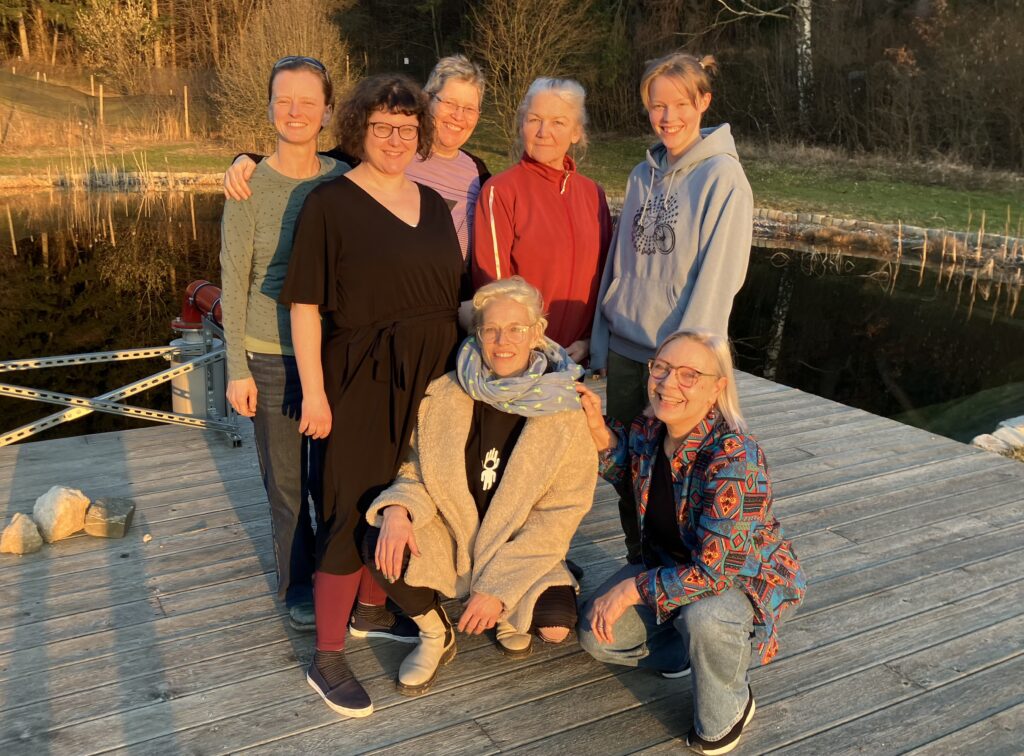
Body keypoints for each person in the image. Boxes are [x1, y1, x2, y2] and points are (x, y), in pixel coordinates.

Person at [278, 73, 463, 718]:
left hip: (432, 379)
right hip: (358, 379)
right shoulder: (329, 204)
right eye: (382, 126)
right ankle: (327, 655)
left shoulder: (433, 204)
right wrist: (315, 393)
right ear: (359, 129)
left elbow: (452, 297)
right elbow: (305, 305)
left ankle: (373, 608)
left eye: (407, 128)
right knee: (347, 503)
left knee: (406, 492)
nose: (395, 138)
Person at [362, 277, 597, 695]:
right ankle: (435, 632)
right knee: (380, 539)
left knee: (557, 625)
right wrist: (398, 509)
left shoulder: (564, 407)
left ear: (536, 333)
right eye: (491, 330)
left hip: (516, 546)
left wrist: (498, 589)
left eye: (516, 329)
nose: (502, 341)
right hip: (455, 538)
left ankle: (504, 611)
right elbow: (414, 469)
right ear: (478, 334)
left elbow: (560, 515)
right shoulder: (445, 393)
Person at [576, 330, 804, 755]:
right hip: (668, 565)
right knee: (596, 632)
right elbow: (627, 470)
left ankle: (730, 709)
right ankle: (686, 654)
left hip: (740, 582)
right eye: (661, 368)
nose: (668, 383)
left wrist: (632, 588)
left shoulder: (735, 458)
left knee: (706, 617)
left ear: (717, 387)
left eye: (688, 375)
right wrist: (596, 428)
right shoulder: (650, 429)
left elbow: (716, 573)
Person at [589, 53, 754, 565]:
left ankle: (680, 571)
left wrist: (685, 368)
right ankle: (638, 562)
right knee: (625, 468)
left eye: (680, 104)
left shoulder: (724, 178)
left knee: (677, 470)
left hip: (676, 364)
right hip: (626, 352)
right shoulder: (641, 174)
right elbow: (618, 262)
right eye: (657, 106)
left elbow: (719, 280)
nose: (668, 117)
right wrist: (601, 341)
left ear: (703, 102)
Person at [219, 56, 347, 632]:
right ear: (270, 106)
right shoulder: (248, 184)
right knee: (286, 481)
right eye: (284, 100)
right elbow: (233, 278)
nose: (295, 112)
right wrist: (236, 367)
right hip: (269, 354)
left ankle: (336, 572)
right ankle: (297, 583)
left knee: (332, 476)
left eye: (307, 101)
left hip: (333, 353)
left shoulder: (343, 179)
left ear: (327, 111)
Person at [223, 55, 490, 270]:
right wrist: (250, 161)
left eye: (469, 108)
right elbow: (311, 164)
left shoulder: (478, 175)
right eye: (450, 103)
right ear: (426, 99)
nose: (458, 116)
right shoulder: (387, 148)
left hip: (450, 304)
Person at [472, 77, 612, 364]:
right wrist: (534, 347)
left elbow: (606, 276)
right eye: (534, 119)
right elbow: (493, 290)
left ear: (576, 132)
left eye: (558, 122)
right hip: (524, 360)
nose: (543, 132)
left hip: (581, 357)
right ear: (522, 125)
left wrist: (591, 340)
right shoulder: (501, 191)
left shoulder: (593, 194)